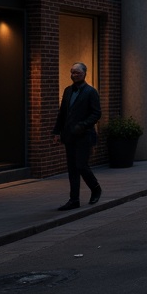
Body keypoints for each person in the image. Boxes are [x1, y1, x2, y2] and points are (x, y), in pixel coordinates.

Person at [52, 62, 102, 210]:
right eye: (72, 72)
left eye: (77, 73)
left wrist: (83, 125)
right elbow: (62, 114)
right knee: (72, 168)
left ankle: (96, 188)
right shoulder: (68, 91)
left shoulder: (91, 92)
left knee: (81, 165)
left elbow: (96, 113)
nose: (74, 75)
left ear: (84, 74)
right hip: (69, 136)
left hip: (84, 135)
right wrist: (57, 131)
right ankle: (74, 200)